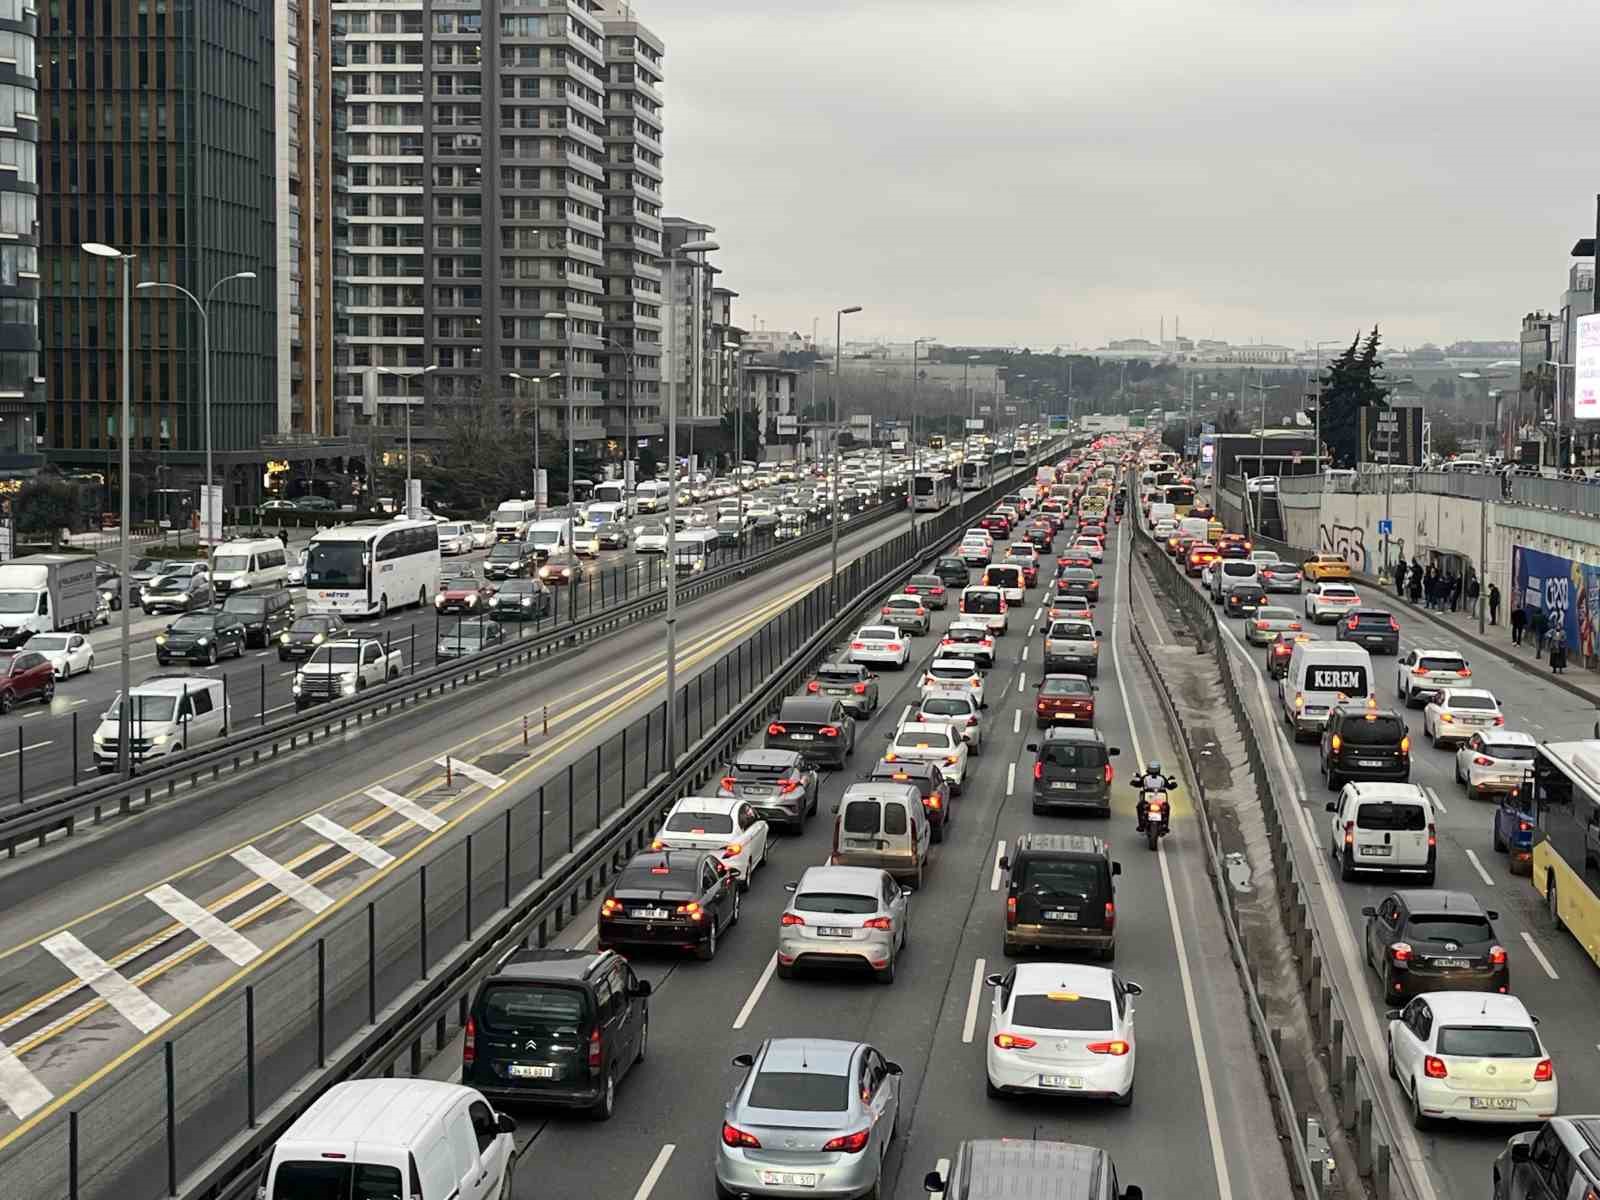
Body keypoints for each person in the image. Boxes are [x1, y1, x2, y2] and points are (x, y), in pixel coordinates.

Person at [1134, 762, 1169, 833]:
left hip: (1150, 800)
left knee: (1139, 806)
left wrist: (1134, 783)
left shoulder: (1145, 778)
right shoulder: (1162, 778)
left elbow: (1138, 784)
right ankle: (1165, 825)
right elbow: (1169, 785)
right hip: (1158, 800)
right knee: (1167, 807)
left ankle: (1141, 825)